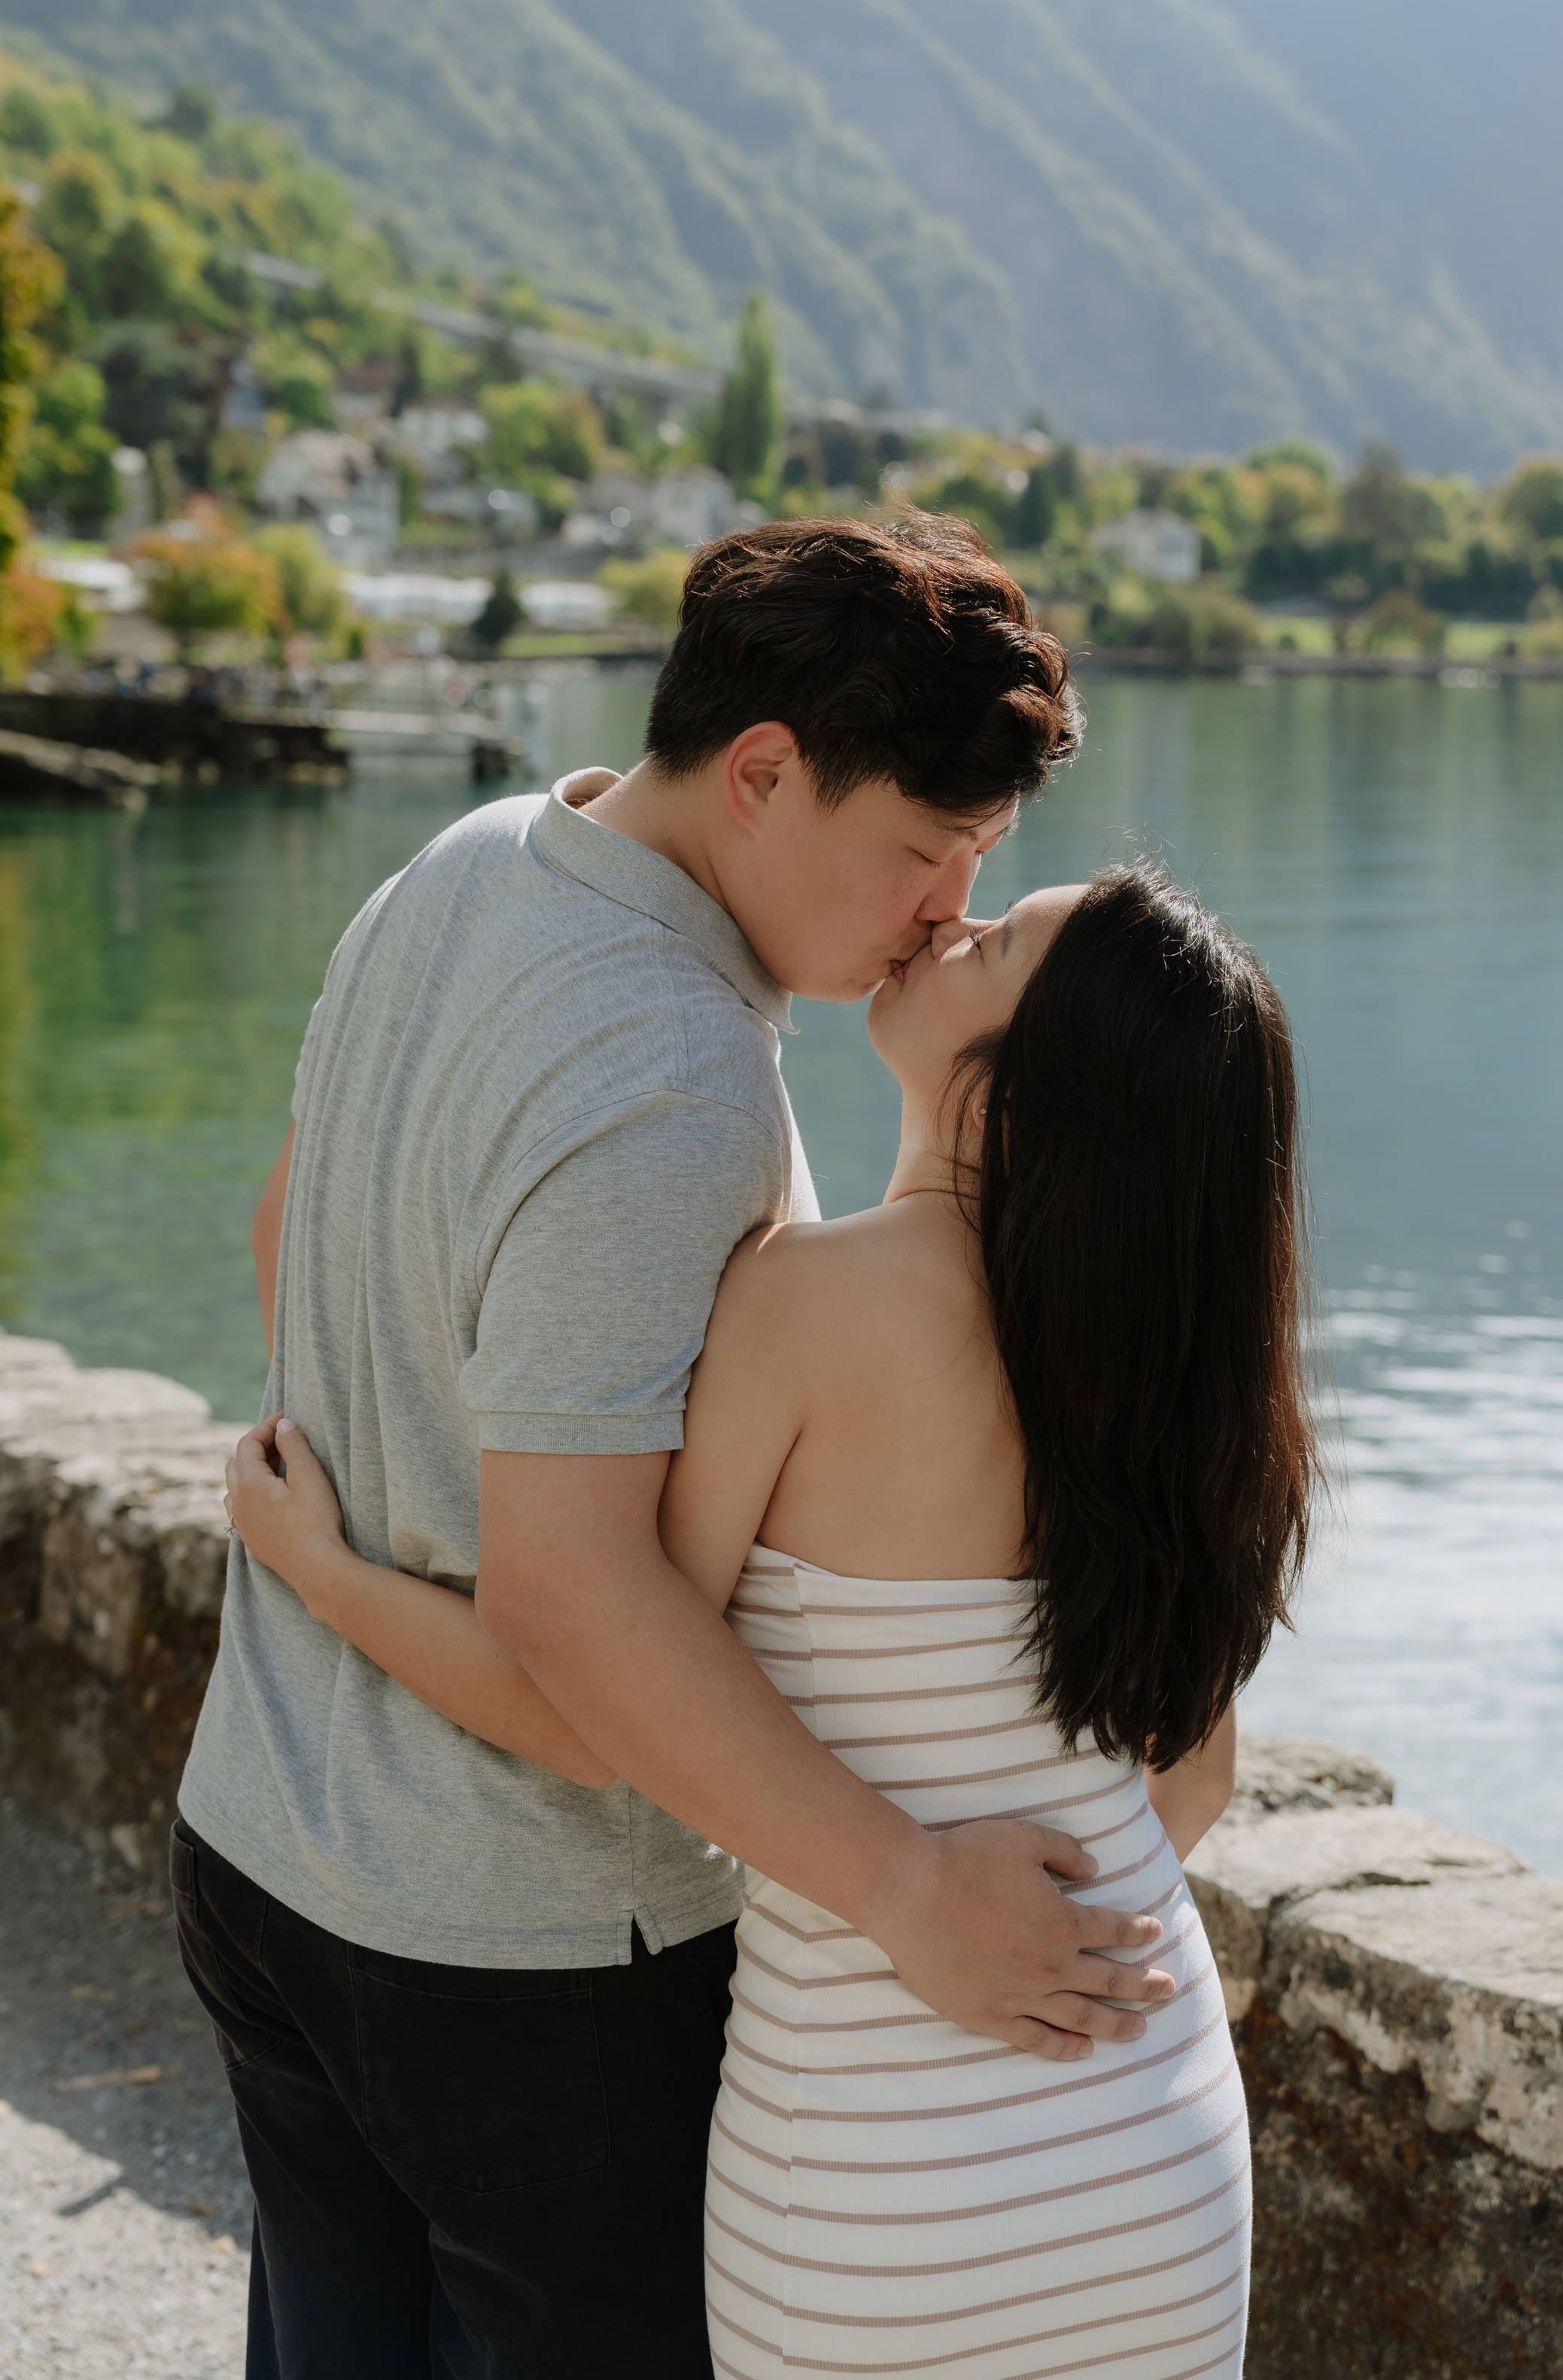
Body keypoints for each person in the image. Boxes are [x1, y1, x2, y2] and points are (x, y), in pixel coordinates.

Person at [174, 518, 1182, 2380]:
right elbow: (577, 1617)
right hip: (522, 1953)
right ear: (762, 771)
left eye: (977, 864)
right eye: (918, 850)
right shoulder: (671, 1069)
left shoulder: (464, 858)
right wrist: (900, 1890)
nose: (943, 909)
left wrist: (348, 1538)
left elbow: (282, 1237)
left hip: (264, 1839)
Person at [230, 857, 1318, 2380]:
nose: (947, 917)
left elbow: (584, 1697)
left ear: (1015, 1095)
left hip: (871, 2169)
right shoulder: (1167, 1378)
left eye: (990, 944)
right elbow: (1187, 1784)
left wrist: (324, 1567)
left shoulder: (814, 1304)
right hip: (1144, 2139)